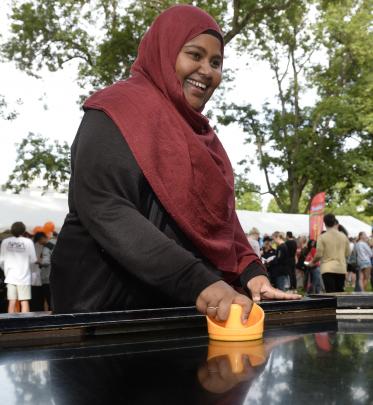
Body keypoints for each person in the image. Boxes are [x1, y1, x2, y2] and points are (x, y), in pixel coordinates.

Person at [50, 5, 300, 319]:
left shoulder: (203, 138)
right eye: (194, 55)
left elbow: (222, 219)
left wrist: (253, 274)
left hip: (177, 315)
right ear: (164, 53)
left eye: (216, 62)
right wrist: (199, 283)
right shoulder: (115, 110)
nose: (207, 71)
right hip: (102, 314)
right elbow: (105, 206)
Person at [0, 222, 37, 313]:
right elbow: (33, 260)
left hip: (10, 277)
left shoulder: (5, 242)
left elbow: (1, 261)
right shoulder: (28, 242)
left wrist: (6, 271)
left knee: (11, 302)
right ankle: (26, 324)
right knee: (24, 302)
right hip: (24, 277)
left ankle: (9, 325)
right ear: (24, 230)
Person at [310, 213, 350, 293]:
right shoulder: (343, 236)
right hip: (341, 268)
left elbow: (319, 254)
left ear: (324, 223)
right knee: (340, 292)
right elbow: (347, 253)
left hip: (327, 268)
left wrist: (312, 262)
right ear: (335, 222)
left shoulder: (322, 237)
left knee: (330, 293)